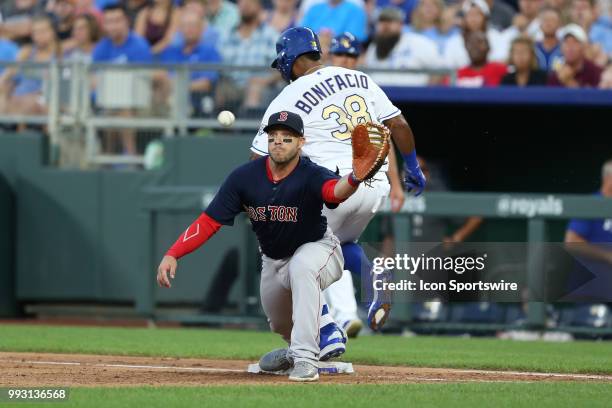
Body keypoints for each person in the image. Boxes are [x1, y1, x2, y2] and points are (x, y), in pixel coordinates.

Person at [158, 111, 365, 381]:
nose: (278, 142)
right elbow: (209, 221)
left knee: (302, 267)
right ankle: (297, 348)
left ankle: (304, 358)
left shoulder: (311, 173)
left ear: (301, 142)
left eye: (286, 138)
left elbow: (333, 192)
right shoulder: (244, 177)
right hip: (273, 259)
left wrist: (355, 179)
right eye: (273, 137)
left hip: (319, 249)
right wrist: (174, 253)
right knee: (279, 322)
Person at [250, 27, 427, 339]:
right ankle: (374, 276)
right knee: (335, 245)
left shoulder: (289, 96)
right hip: (375, 188)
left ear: (290, 59)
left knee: (286, 256)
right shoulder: (360, 78)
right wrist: (413, 168)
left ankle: (327, 330)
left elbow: (258, 157)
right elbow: (399, 123)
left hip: (335, 188)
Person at [327, 31, 405, 337]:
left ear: (357, 59)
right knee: (333, 246)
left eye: (350, 56)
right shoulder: (353, 87)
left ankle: (338, 320)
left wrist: (396, 183)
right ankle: (347, 313)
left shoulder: (365, 89)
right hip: (358, 183)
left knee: (309, 246)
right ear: (331, 56)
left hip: (346, 179)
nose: (345, 60)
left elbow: (385, 139)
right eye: (340, 55)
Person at [217, 0, 279, 113]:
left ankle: (248, 130)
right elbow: (218, 66)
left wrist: (264, 81)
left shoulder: (271, 35)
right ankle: (215, 129)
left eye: (250, 3)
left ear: (259, 6)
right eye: (242, 3)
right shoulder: (227, 35)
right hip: (231, 84)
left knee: (254, 89)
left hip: (260, 86)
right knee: (219, 89)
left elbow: (279, 70)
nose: (245, 5)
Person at [0, 16, 61, 126]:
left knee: (37, 105)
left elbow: (55, 88)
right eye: (35, 32)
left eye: (42, 31)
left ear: (53, 32)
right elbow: (7, 76)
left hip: (40, 100)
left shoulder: (59, 55)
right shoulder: (26, 52)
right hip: (18, 98)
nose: (38, 36)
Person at [365, 7, 442, 86]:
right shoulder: (374, 47)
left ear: (400, 24)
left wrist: (427, 93)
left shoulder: (418, 42)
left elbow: (439, 70)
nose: (385, 26)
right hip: (380, 95)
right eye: (381, 22)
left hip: (412, 95)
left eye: (390, 21)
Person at [442, 0, 510, 68]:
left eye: (477, 15)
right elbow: (448, 67)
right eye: (470, 15)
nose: (473, 19)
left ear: (485, 18)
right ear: (464, 19)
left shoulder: (496, 37)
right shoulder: (455, 41)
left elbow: (501, 61)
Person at [300, 0, 368, 42]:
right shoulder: (314, 8)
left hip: (340, 54)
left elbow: (356, 38)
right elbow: (302, 33)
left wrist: (331, 38)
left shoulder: (355, 10)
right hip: (313, 52)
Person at [535, 6, 564, 71]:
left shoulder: (565, 48)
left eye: (552, 20)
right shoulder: (533, 49)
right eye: (545, 20)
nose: (548, 23)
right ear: (540, 25)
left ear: (559, 24)